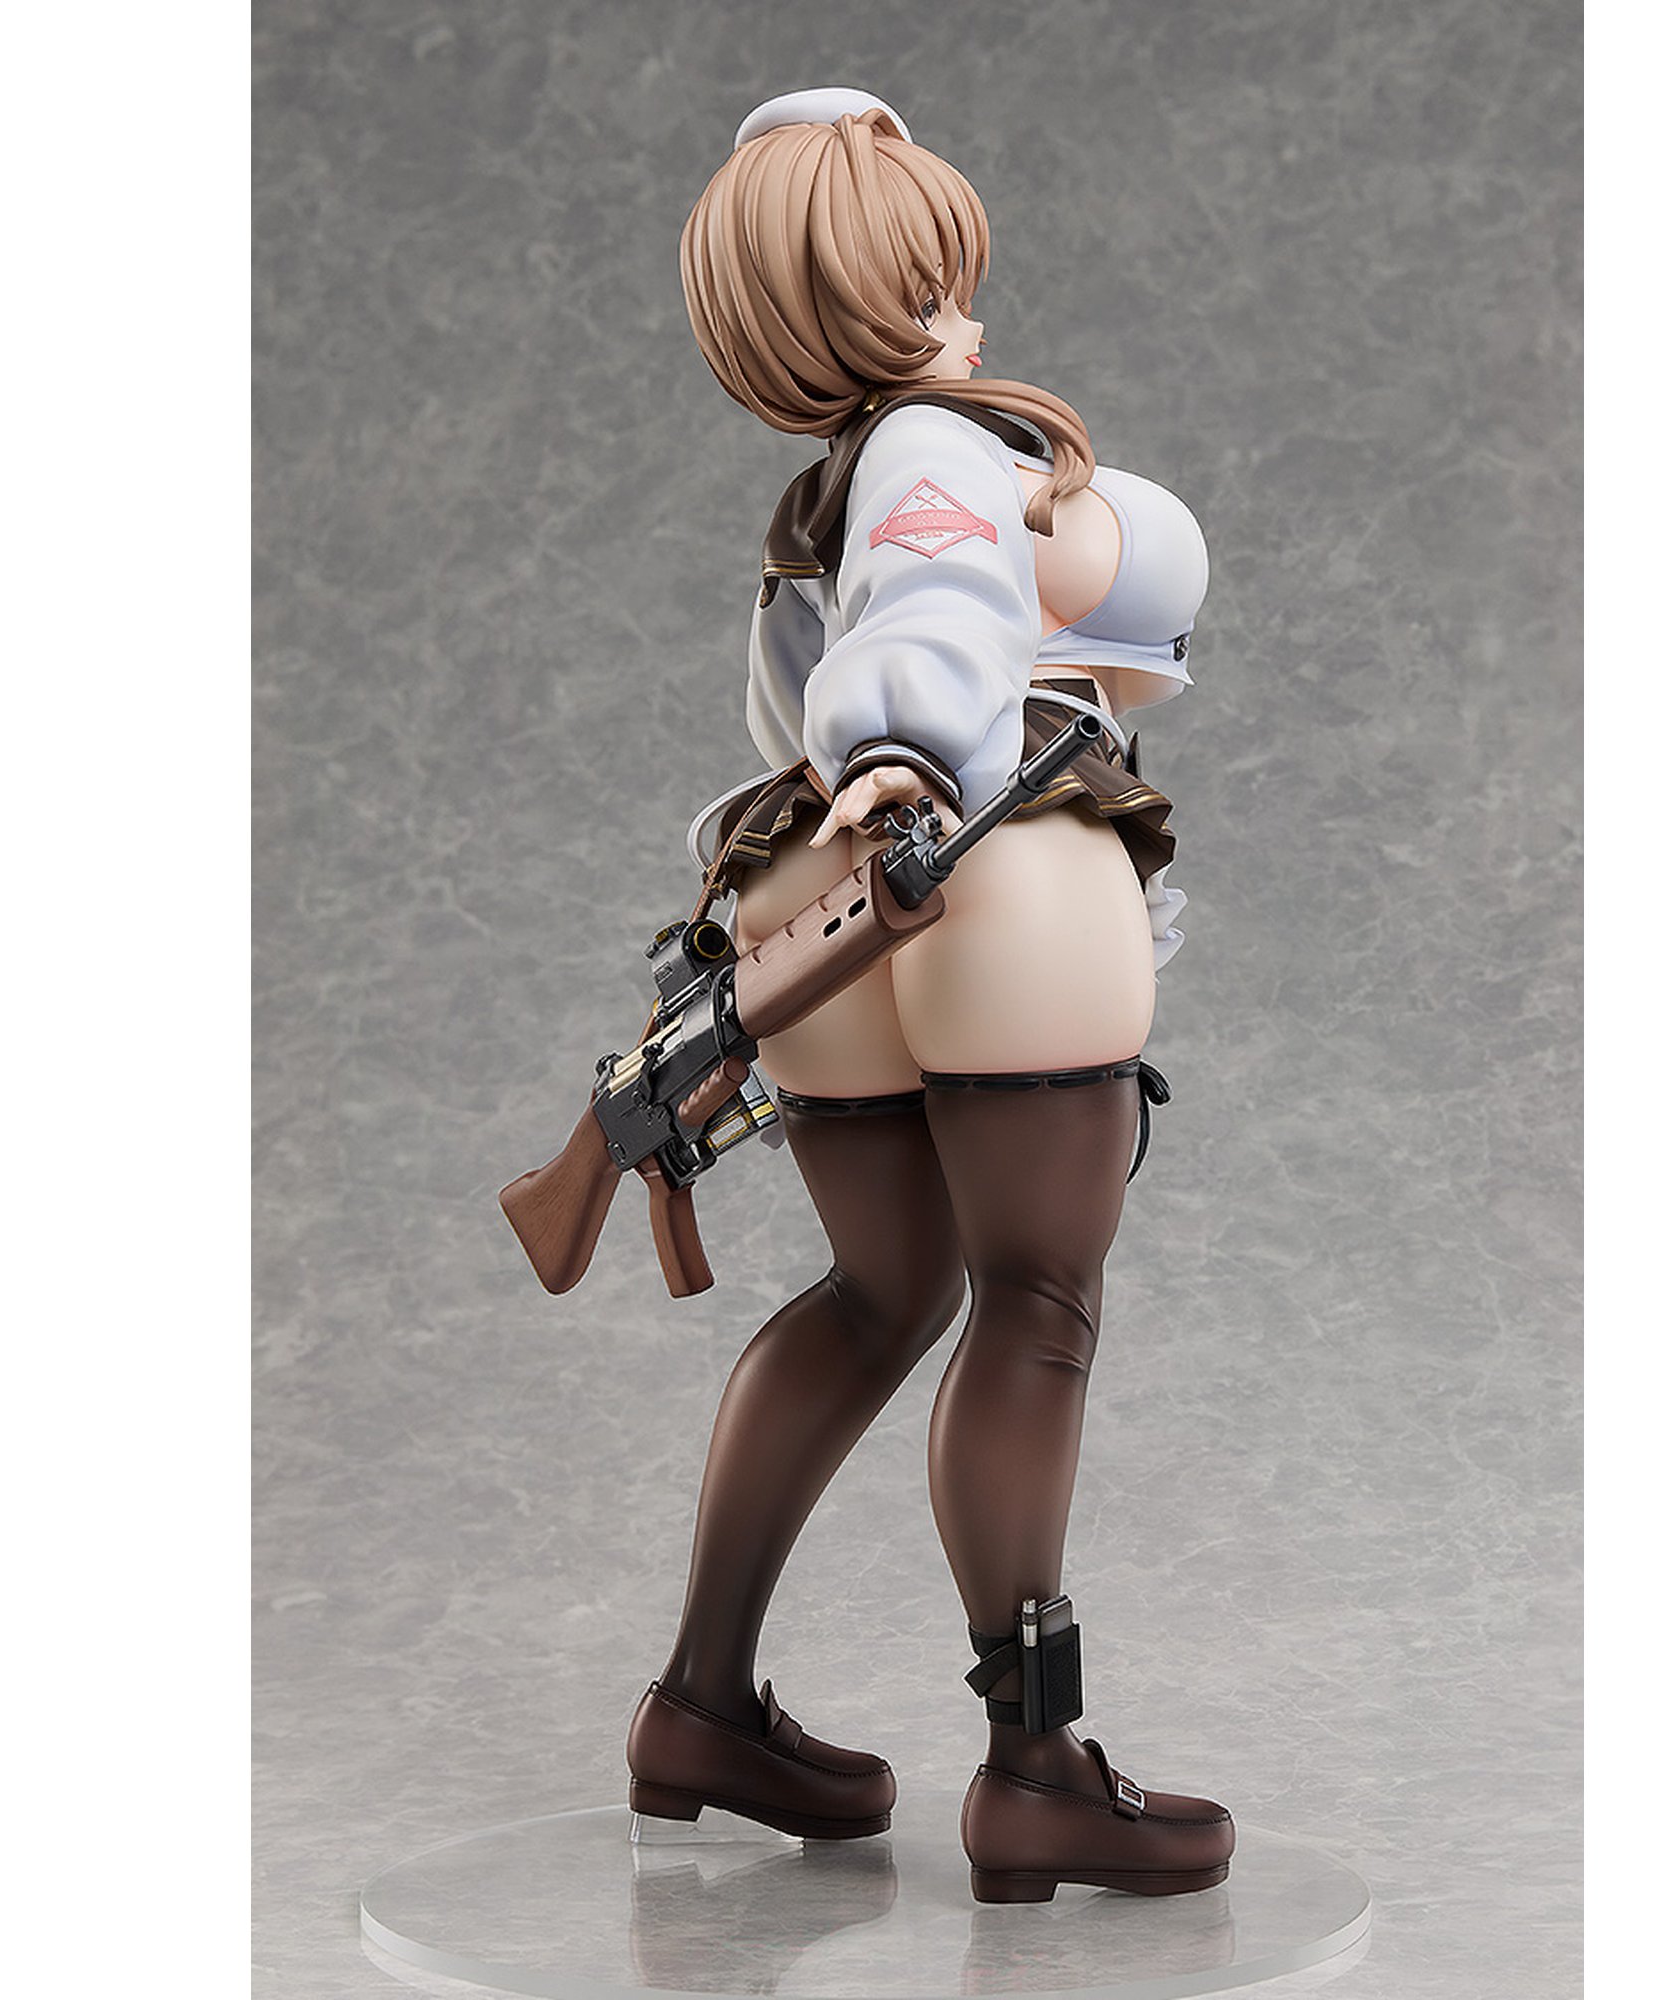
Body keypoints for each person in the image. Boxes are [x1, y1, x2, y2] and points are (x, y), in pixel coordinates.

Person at [622, 87, 1233, 1903]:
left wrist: (868, 753)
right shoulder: (942, 446)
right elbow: (948, 608)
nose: (959, 304)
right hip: (984, 855)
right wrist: (903, 741)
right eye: (925, 274)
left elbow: (805, 693)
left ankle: (701, 1704)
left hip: (810, 892)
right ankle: (1035, 1772)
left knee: (883, 1294)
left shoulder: (821, 495)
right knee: (1034, 1297)